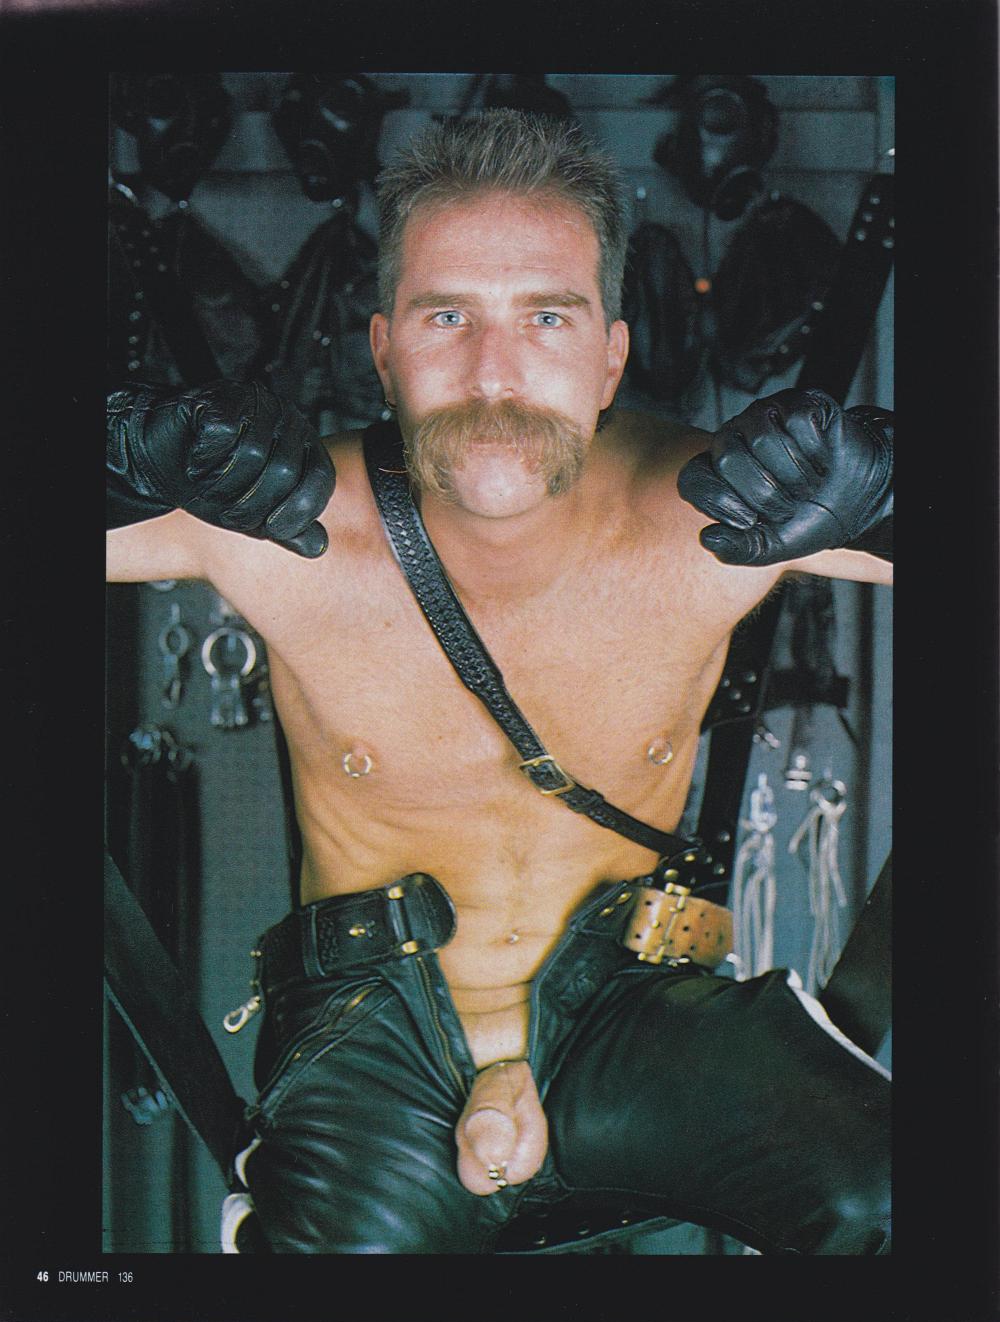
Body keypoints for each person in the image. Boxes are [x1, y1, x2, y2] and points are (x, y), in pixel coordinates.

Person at [106, 109, 892, 1255]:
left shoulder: (719, 517)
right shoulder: (276, 524)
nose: (494, 372)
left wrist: (897, 488)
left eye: (546, 317)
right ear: (382, 349)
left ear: (610, 354)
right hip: (379, 1031)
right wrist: (118, 456)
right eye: (447, 317)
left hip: (622, 1010)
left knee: (896, 1201)